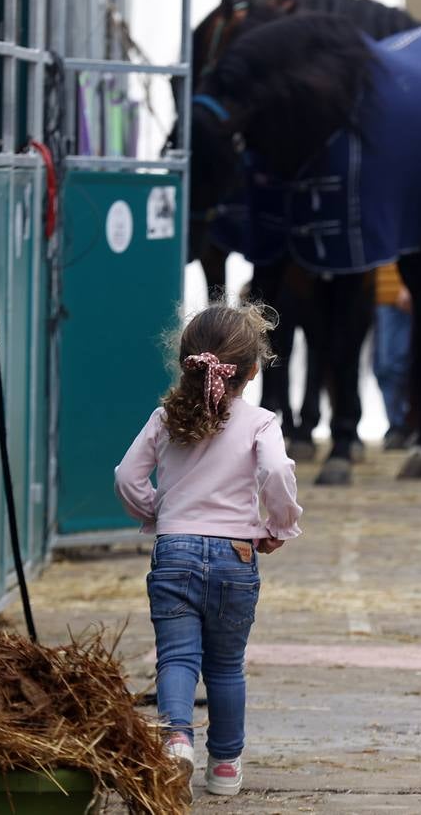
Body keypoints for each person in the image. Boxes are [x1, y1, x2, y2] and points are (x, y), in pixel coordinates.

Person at [114, 302, 302, 800]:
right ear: (253, 370)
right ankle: (224, 767)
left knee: (176, 658)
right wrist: (280, 523)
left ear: (185, 363)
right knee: (225, 665)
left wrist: (158, 514)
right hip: (235, 556)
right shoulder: (261, 422)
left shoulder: (164, 418)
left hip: (173, 551)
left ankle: (176, 740)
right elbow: (278, 473)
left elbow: (126, 477)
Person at [372, 262, 412, 450]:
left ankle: (401, 423)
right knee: (381, 367)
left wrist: (408, 284)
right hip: (374, 294)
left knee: (393, 364)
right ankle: (396, 424)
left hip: (396, 295)